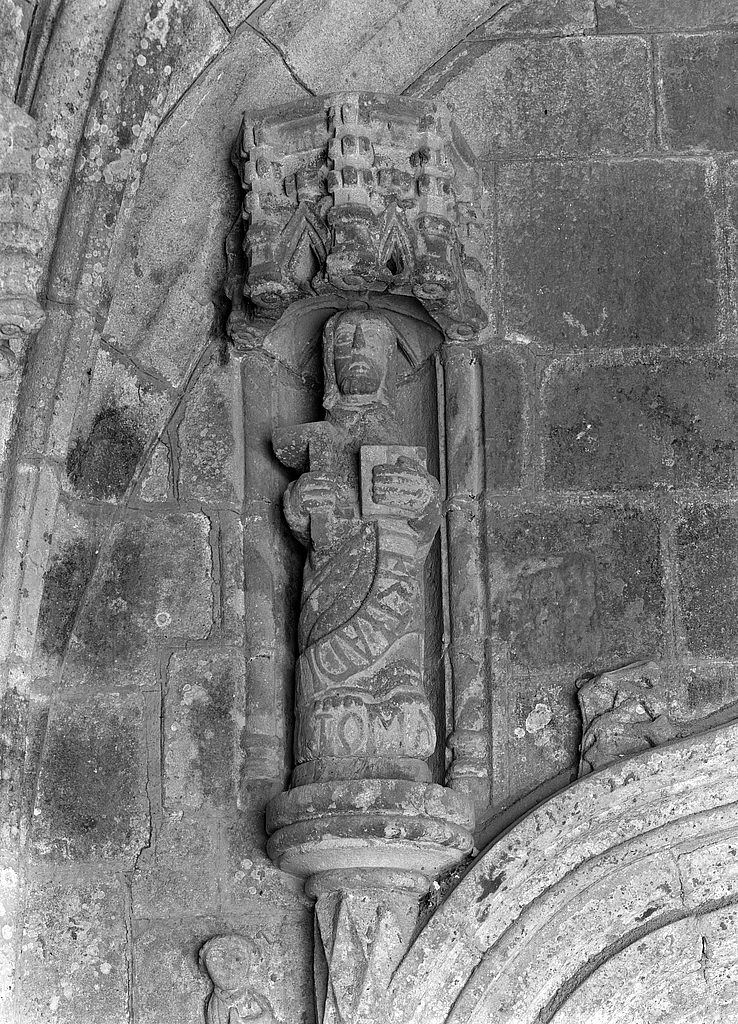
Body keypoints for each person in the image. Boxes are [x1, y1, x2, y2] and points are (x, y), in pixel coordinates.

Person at [274, 309, 440, 786]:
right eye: (346, 342)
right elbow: (309, 531)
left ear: (389, 360)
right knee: (328, 725)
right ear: (329, 360)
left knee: (409, 721)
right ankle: (330, 701)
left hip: (395, 609)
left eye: (369, 342)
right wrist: (300, 503)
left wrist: (423, 499)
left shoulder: (397, 442)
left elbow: (426, 528)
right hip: (333, 593)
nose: (358, 351)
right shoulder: (318, 441)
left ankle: (395, 691)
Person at [199, 935, 277, 1024]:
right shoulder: (213, 1003)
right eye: (217, 959)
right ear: (205, 967)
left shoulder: (255, 1000)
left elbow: (267, 1018)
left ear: (250, 964)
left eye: (237, 958)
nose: (228, 966)